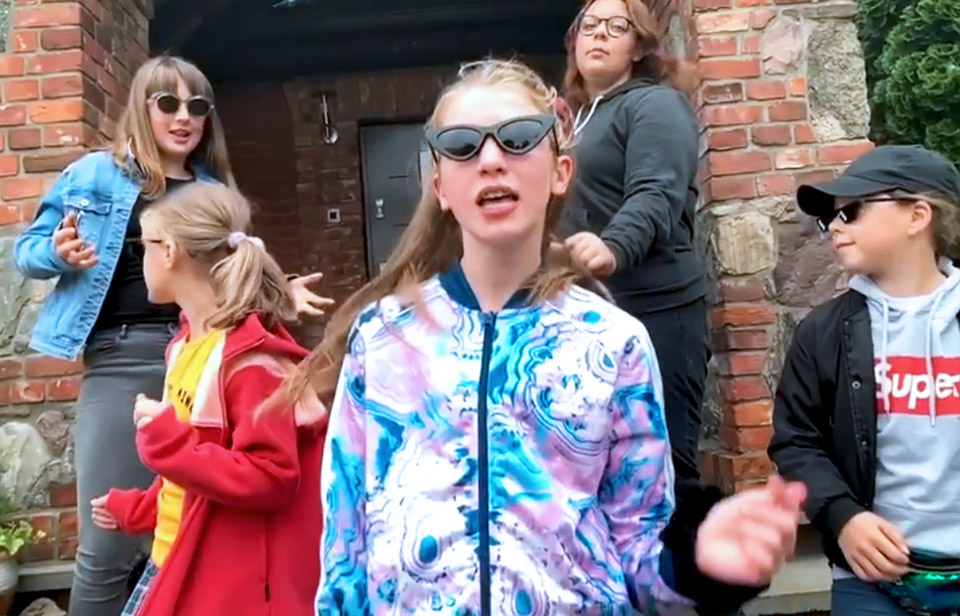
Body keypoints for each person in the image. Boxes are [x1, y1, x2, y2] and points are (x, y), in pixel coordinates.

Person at [293, 58, 806, 615]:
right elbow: (345, 548)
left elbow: (637, 555)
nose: (491, 160)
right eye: (462, 145)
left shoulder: (614, 343)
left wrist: (700, 563)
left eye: (517, 139)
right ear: (439, 186)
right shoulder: (383, 337)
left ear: (561, 172)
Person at [12, 56, 332, 616]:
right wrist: (57, 252)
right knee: (105, 548)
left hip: (206, 350)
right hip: (123, 356)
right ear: (143, 108)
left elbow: (237, 263)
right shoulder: (94, 174)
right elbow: (27, 252)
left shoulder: (212, 187)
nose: (184, 117)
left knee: (202, 526)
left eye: (197, 106)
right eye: (168, 103)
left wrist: (279, 292)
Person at [90, 182, 326, 616]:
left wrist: (167, 443)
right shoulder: (184, 345)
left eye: (143, 247)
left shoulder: (251, 363)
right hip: (173, 562)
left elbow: (271, 477)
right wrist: (142, 509)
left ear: (169, 252)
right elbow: (198, 471)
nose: (141, 259)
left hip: (214, 583)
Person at [769, 145, 960, 616]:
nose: (834, 227)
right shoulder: (823, 333)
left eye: (851, 211)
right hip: (870, 581)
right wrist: (843, 517)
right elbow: (797, 442)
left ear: (917, 216)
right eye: (829, 218)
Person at [557, 0, 708, 485]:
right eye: (589, 26)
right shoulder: (579, 122)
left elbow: (657, 190)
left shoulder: (656, 104)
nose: (599, 34)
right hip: (593, 313)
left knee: (662, 469)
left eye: (616, 27)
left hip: (657, 309)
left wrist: (614, 246)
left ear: (639, 47)